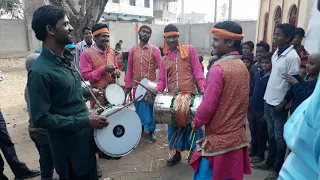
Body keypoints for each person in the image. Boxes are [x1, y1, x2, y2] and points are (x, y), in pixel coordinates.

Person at [29, 5, 109, 179]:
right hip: (69, 152)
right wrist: (85, 121)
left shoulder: (66, 59)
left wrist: (88, 92)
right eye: (65, 24)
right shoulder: (40, 72)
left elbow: (67, 91)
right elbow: (41, 118)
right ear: (50, 29)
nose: (71, 27)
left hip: (85, 142)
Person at [189, 20, 251, 180]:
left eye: (216, 40)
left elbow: (208, 106)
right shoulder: (242, 66)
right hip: (237, 138)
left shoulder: (219, 69)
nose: (213, 44)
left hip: (218, 142)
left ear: (230, 42)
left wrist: (196, 122)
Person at [255, 23, 300, 180]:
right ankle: (270, 161)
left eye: (278, 34)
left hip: (279, 104)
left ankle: (277, 168)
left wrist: (283, 102)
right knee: (271, 135)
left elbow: (294, 83)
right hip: (269, 100)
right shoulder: (275, 54)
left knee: (280, 138)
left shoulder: (293, 57)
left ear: (288, 38)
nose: (274, 37)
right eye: (274, 34)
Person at [156, 24, 206, 167]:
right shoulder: (164, 59)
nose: (172, 40)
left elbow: (197, 71)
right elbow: (162, 81)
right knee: (174, 127)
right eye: (168, 37)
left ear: (178, 37)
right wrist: (156, 91)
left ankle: (194, 153)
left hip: (189, 97)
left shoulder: (189, 50)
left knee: (192, 126)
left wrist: (203, 87)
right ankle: (177, 154)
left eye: (174, 37)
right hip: (172, 100)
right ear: (164, 39)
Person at [125, 24, 165, 142]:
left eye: (148, 32)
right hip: (136, 86)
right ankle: (141, 129)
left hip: (150, 87)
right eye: (144, 31)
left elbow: (162, 68)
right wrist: (128, 85)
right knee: (139, 109)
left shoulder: (155, 50)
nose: (145, 34)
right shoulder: (133, 50)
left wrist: (160, 85)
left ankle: (150, 131)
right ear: (139, 33)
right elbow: (129, 69)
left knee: (150, 109)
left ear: (150, 35)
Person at [24, 53, 55, 180]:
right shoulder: (37, 85)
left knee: (45, 158)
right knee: (49, 160)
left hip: (34, 129)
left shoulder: (29, 84)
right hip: (42, 131)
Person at [80, 23, 120, 108]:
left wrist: (117, 72)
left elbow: (117, 68)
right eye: (103, 36)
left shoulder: (111, 52)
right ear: (95, 38)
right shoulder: (86, 54)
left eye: (108, 36)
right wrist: (103, 69)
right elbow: (85, 76)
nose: (106, 39)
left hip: (114, 96)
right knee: (101, 121)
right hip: (98, 98)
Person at [249, 52, 272, 164]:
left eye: (267, 63)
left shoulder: (271, 78)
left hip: (263, 109)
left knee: (261, 133)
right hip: (254, 107)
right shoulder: (257, 75)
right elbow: (252, 88)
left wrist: (266, 112)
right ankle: (253, 151)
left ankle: (260, 154)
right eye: (263, 62)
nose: (264, 65)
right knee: (253, 130)